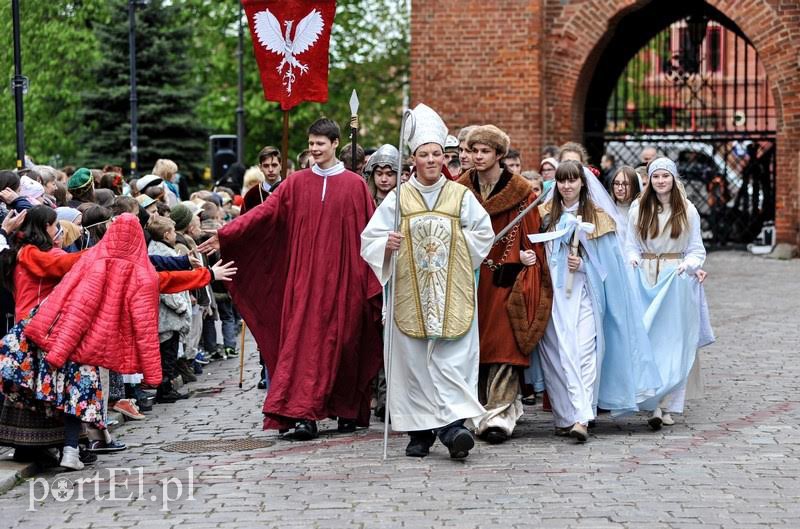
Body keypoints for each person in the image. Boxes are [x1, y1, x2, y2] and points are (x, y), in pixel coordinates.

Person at [199, 118, 383, 440]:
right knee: (305, 345)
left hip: (345, 280)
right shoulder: (296, 183)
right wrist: (226, 235)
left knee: (347, 343)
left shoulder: (355, 186)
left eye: (320, 144)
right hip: (305, 281)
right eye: (311, 143)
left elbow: (370, 233)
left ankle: (347, 408)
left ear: (335, 143)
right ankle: (302, 413)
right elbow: (264, 213)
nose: (314, 149)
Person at [361, 104, 494, 459]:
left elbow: (483, 234)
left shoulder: (461, 196)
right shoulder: (399, 198)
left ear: (444, 158)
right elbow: (369, 239)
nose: (432, 160)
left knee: (451, 363)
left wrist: (455, 242)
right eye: (425, 154)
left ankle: (453, 429)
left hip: (451, 292)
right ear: (414, 159)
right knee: (414, 365)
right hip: (409, 292)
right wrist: (385, 245)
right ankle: (419, 433)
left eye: (437, 154)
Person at [532, 161, 660, 443]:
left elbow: (610, 267)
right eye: (562, 181)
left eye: (572, 181)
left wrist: (585, 265)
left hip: (586, 294)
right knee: (560, 354)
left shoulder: (599, 218)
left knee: (585, 351)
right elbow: (535, 251)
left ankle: (582, 415)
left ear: (582, 183)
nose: (567, 186)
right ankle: (567, 416)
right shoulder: (544, 215)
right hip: (554, 295)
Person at [457, 125, 550, 444]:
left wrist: (525, 260)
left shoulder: (521, 193)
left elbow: (533, 238)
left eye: (485, 151)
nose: (478, 157)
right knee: (471, 347)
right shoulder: (459, 189)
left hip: (505, 277)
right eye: (474, 151)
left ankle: (499, 415)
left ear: (499, 155)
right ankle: (474, 411)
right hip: (468, 278)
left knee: (504, 346)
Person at [626, 158, 713, 430]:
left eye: (665, 176)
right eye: (656, 177)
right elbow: (630, 245)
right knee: (650, 339)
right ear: (649, 181)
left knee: (674, 341)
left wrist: (688, 266)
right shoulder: (638, 208)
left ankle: (665, 404)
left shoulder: (687, 210)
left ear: (674, 179)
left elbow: (696, 249)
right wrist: (632, 259)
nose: (661, 181)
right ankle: (653, 400)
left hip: (675, 277)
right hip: (646, 275)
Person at [242, 146, 282, 214]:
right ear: (260, 167)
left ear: (281, 165)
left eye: (274, 165)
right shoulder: (251, 195)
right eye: (266, 166)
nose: (270, 170)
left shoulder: (290, 190)